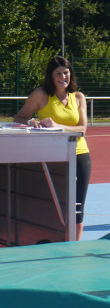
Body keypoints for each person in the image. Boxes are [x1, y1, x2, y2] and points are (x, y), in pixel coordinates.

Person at [14, 56, 91, 240]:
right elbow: (19, 118)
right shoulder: (40, 95)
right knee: (53, 205)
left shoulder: (78, 97)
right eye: (58, 74)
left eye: (66, 73)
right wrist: (32, 122)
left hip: (80, 155)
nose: (63, 77)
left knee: (77, 207)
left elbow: (82, 130)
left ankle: (74, 249)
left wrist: (57, 125)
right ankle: (55, 245)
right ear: (51, 76)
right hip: (52, 156)